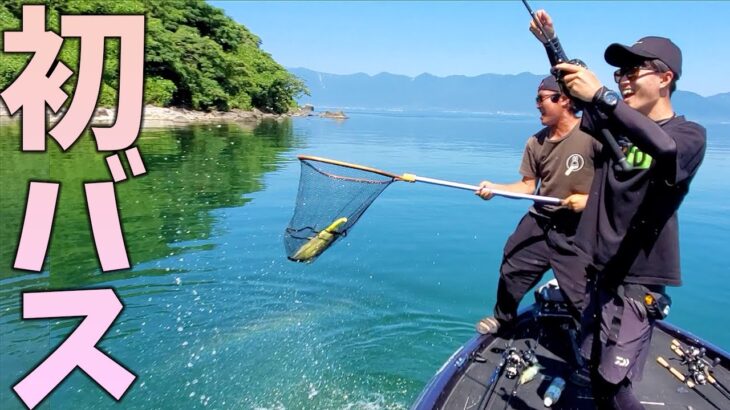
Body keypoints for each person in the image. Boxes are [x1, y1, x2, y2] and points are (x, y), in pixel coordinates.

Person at [529, 10, 707, 410]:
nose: (623, 78)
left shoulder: (689, 134)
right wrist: (551, 43)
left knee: (615, 384)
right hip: (600, 272)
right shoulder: (617, 130)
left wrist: (604, 97)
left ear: (665, 78)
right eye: (618, 73)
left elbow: (665, 150)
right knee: (592, 365)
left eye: (634, 69)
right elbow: (576, 89)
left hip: (639, 281)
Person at [474, 74, 598, 335]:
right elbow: (528, 186)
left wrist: (589, 200)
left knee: (580, 293)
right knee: (512, 264)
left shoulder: (592, 135)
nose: (537, 105)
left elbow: (617, 183)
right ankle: (503, 319)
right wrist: (495, 188)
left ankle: (591, 344)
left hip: (578, 227)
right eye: (537, 99)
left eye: (541, 99)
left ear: (563, 99)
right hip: (541, 219)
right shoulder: (536, 142)